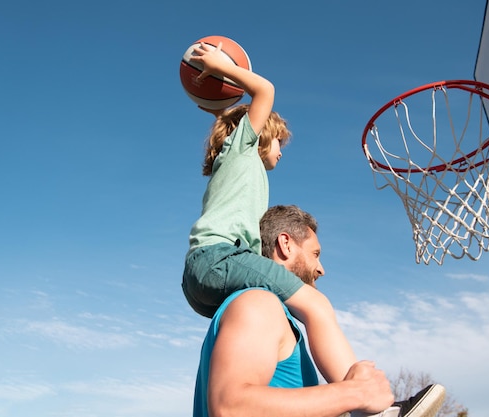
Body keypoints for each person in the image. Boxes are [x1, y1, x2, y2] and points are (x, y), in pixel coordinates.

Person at [182, 40, 361, 385]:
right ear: (260, 134)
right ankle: (365, 401)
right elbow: (264, 90)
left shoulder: (233, 162)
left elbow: (227, 119)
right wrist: (223, 67)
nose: (282, 151)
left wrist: (214, 102)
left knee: (274, 314)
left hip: (200, 282)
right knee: (316, 306)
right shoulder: (244, 151)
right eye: (280, 141)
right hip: (219, 259)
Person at [191, 205, 446, 417]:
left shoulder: (272, 316)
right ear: (285, 244)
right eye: (315, 254)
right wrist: (355, 393)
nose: (321, 268)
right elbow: (230, 407)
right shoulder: (258, 303)